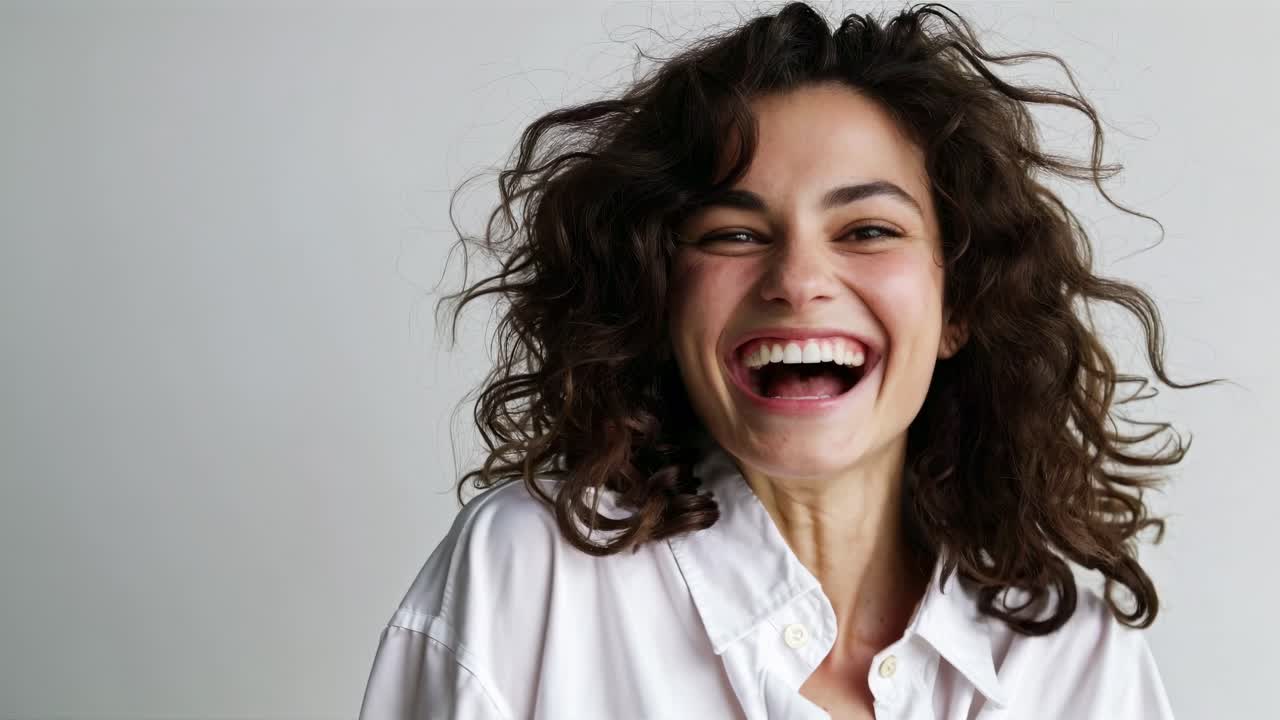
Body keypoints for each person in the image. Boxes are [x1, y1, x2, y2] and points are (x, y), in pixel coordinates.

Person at [357, 3, 1223, 718]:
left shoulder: (1066, 648)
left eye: (869, 231)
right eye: (735, 233)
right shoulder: (529, 576)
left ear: (959, 303)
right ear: (661, 295)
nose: (799, 280)